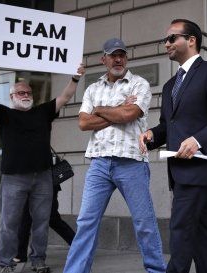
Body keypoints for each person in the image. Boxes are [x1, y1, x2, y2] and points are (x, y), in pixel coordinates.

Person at [139, 19, 207, 273]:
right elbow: (168, 126)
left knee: (181, 227)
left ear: (191, 40)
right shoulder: (171, 85)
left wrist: (198, 140)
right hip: (179, 168)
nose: (166, 44)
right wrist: (151, 134)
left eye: (172, 39)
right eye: (166, 40)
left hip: (201, 165)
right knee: (202, 233)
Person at [62, 38, 166, 273]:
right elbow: (83, 123)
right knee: (85, 223)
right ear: (104, 59)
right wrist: (118, 108)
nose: (118, 59)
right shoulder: (93, 88)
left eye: (122, 55)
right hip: (99, 163)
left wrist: (99, 110)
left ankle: (156, 271)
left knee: (144, 223)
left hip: (131, 163)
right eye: (112, 55)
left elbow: (129, 115)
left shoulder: (139, 84)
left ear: (126, 58)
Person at [0, 54, 85, 273]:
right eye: (20, 92)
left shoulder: (43, 112)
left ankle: (38, 261)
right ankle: (6, 264)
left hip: (43, 177)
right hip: (14, 178)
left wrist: (75, 78)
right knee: (8, 224)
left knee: (41, 222)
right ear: (12, 96)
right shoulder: (4, 114)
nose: (25, 95)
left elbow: (64, 97)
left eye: (28, 92)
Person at [15, 183, 76, 263]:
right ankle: (20, 254)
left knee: (52, 218)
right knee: (25, 218)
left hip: (48, 183)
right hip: (30, 182)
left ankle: (79, 245)